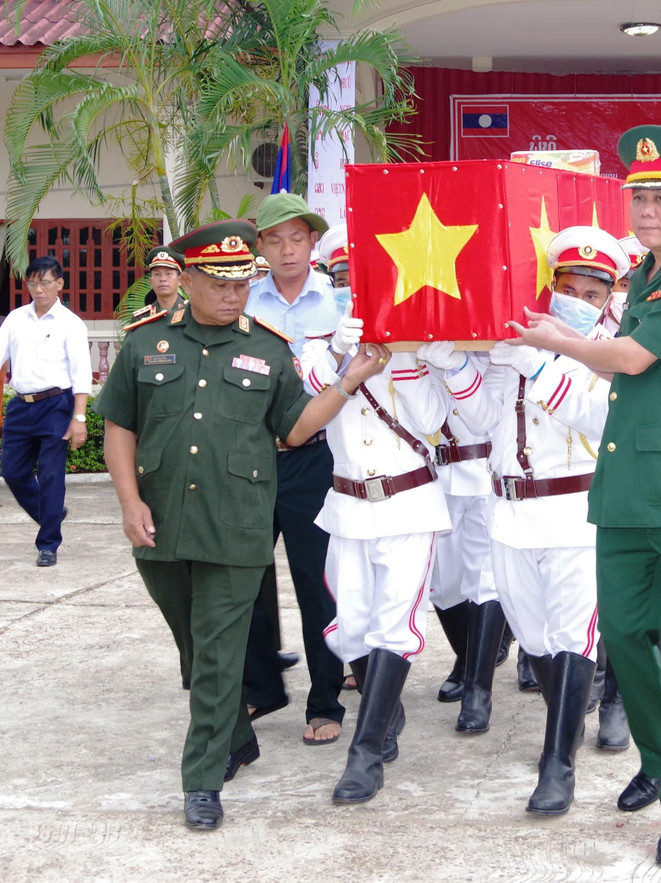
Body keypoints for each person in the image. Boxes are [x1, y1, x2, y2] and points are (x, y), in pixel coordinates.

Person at [96, 219, 387, 831]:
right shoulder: (145, 343)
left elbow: (296, 428)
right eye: (220, 284)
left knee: (220, 652)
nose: (233, 296)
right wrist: (128, 501)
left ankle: (201, 780)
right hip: (162, 522)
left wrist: (349, 380)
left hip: (237, 527)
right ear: (190, 278)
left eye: (240, 284)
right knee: (196, 648)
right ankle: (236, 736)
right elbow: (119, 424)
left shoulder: (270, 348)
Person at [508, 124, 661, 869]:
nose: (645, 209)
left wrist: (556, 340)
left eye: (660, 197)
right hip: (628, 487)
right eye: (636, 196)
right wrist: (566, 339)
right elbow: (620, 371)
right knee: (626, 641)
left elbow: (632, 356)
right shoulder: (643, 275)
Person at [424, 225, 628, 814]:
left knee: (570, 639)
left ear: (609, 297)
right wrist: (455, 370)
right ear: (551, 285)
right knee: (537, 641)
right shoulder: (519, 342)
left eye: (594, 293)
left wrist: (542, 368)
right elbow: (488, 420)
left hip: (574, 513)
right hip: (508, 512)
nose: (580, 301)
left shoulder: (612, 349)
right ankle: (564, 727)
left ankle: (556, 765)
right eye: (570, 287)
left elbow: (600, 419)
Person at [302, 332, 449, 805]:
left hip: (409, 505)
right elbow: (309, 384)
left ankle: (364, 754)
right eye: (343, 276)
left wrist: (406, 352)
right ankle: (384, 712)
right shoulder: (321, 344)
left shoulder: (419, 347)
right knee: (348, 631)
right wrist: (342, 352)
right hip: (347, 507)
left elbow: (431, 419)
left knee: (395, 627)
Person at [240, 192, 346, 748]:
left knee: (316, 583)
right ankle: (262, 686)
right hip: (252, 457)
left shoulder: (337, 304)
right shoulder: (241, 301)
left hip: (314, 459)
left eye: (297, 238)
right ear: (261, 245)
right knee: (247, 576)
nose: (287, 250)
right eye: (275, 239)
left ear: (312, 243)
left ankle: (326, 698)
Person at [0, 256, 91, 567]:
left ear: (59, 284)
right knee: (13, 472)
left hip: (57, 406)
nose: (38, 289)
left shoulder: (71, 323)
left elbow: (81, 373)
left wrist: (79, 418)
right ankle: (52, 514)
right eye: (33, 282)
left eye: (45, 282)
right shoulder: (15, 319)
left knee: (50, 475)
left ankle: (48, 543)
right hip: (21, 405)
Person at [130, 246, 186, 323]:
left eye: (168, 273)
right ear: (150, 282)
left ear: (180, 280)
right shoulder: (142, 318)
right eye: (157, 274)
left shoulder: (193, 314)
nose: (163, 279)